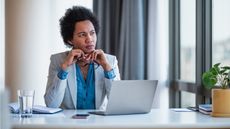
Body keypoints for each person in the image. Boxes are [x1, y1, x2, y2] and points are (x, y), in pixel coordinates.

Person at [44, 6, 120, 110]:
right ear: (70, 39)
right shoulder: (57, 60)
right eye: (82, 35)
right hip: (68, 124)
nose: (89, 39)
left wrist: (106, 67)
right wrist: (65, 68)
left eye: (92, 33)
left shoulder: (110, 61)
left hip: (99, 124)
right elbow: (51, 104)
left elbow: (118, 103)